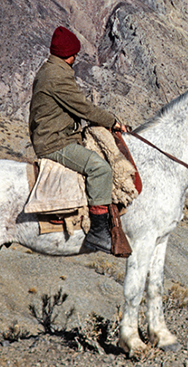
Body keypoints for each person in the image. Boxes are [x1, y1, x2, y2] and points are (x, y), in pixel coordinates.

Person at [29, 26, 128, 253]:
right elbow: (84, 109)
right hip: (55, 142)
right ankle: (98, 232)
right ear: (70, 55)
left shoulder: (51, 69)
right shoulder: (57, 77)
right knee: (100, 168)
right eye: (75, 55)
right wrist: (113, 122)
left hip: (57, 134)